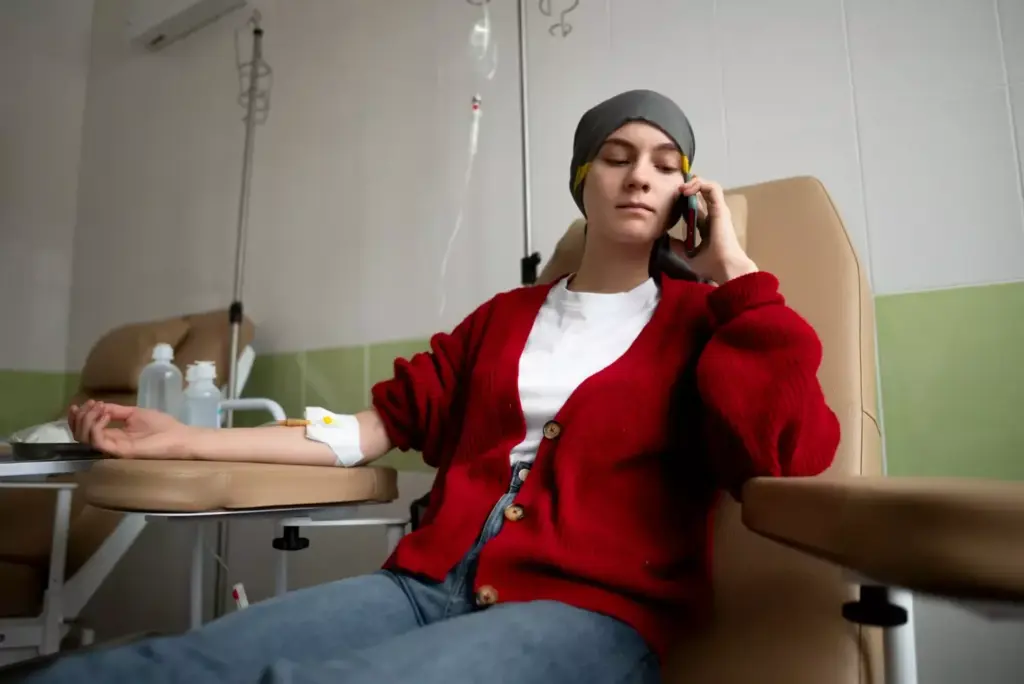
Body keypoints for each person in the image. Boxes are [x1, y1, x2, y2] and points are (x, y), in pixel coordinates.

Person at [21, 89, 840, 684]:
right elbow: (367, 429)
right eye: (617, 158)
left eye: (666, 166)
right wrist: (188, 437)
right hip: (420, 584)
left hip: (589, 613)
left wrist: (735, 270)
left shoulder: (711, 320)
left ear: (683, 201)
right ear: (582, 181)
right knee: (167, 665)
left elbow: (786, 451)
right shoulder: (503, 317)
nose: (639, 177)